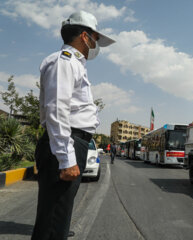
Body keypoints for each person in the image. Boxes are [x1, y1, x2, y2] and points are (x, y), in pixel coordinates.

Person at [32, 11, 115, 240]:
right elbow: (57, 111)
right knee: (52, 224)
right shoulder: (65, 62)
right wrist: (66, 158)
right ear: (85, 37)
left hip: (70, 141)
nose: (95, 46)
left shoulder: (74, 64)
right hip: (65, 142)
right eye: (96, 39)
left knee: (57, 220)